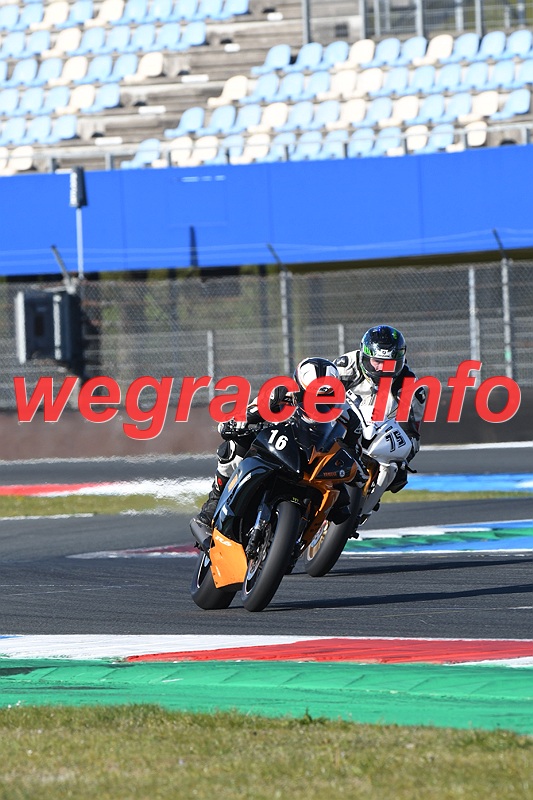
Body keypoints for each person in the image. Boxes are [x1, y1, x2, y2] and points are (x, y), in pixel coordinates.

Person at [193, 357, 367, 531]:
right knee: (233, 447)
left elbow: (355, 454)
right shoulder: (280, 393)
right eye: (310, 396)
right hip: (279, 450)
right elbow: (248, 413)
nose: (318, 404)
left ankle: (319, 531)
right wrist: (235, 423)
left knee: (343, 508)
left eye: (326, 399)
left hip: (317, 464)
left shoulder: (349, 417)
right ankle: (215, 500)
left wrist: (356, 470)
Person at [334, 324, 425, 498]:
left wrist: (403, 460)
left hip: (378, 440)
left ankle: (367, 503)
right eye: (377, 362)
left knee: (395, 472)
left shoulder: (410, 387)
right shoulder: (345, 366)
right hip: (342, 426)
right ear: (365, 356)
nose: (382, 369)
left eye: (389, 364)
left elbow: (411, 435)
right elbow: (318, 396)